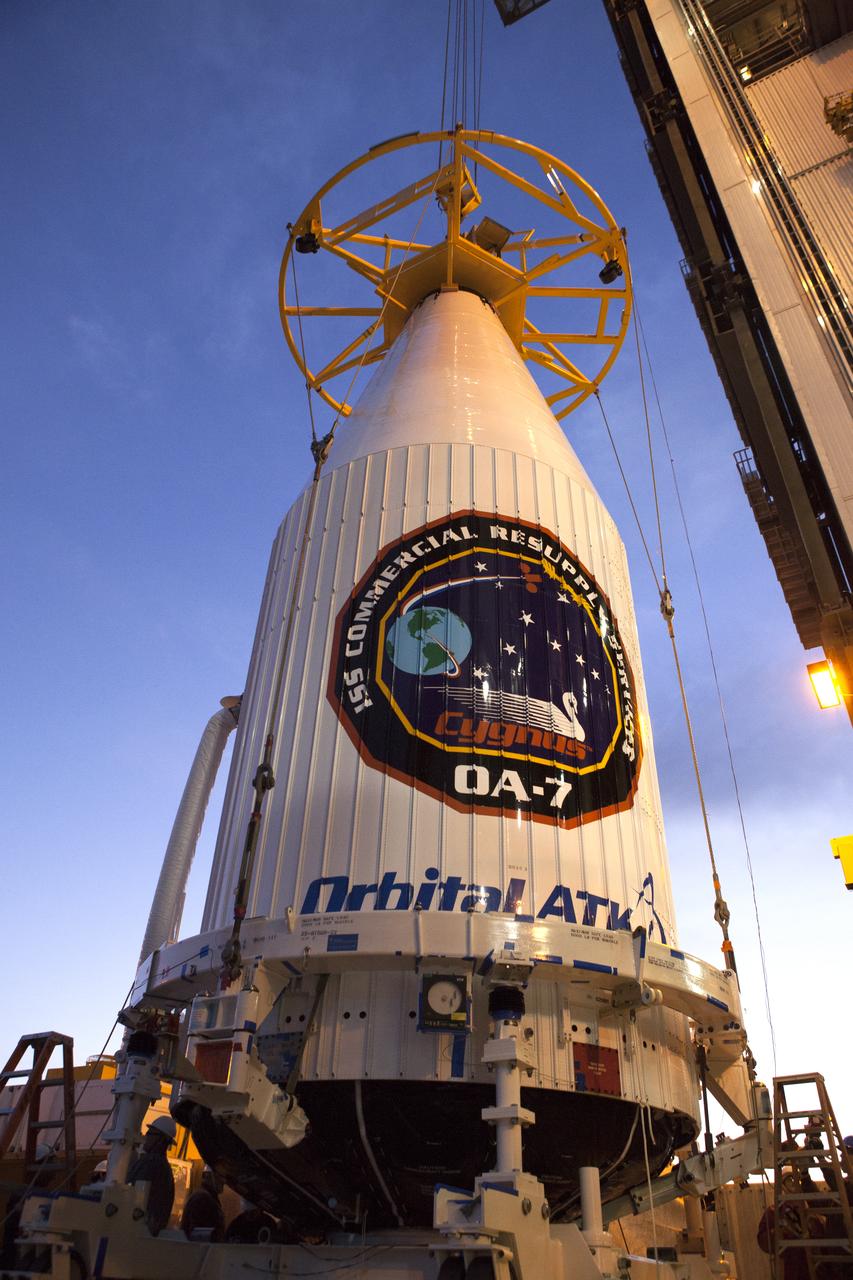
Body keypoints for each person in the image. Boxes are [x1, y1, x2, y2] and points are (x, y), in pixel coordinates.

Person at [127, 1115, 176, 1236]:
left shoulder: (152, 1164)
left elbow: (133, 1193)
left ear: (160, 1140)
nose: (146, 1136)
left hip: (140, 1231)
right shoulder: (162, 1166)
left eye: (150, 1133)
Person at [180, 1166, 225, 1241]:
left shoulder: (206, 1198)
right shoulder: (202, 1199)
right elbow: (200, 1236)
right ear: (207, 1176)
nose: (223, 1181)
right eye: (219, 1176)